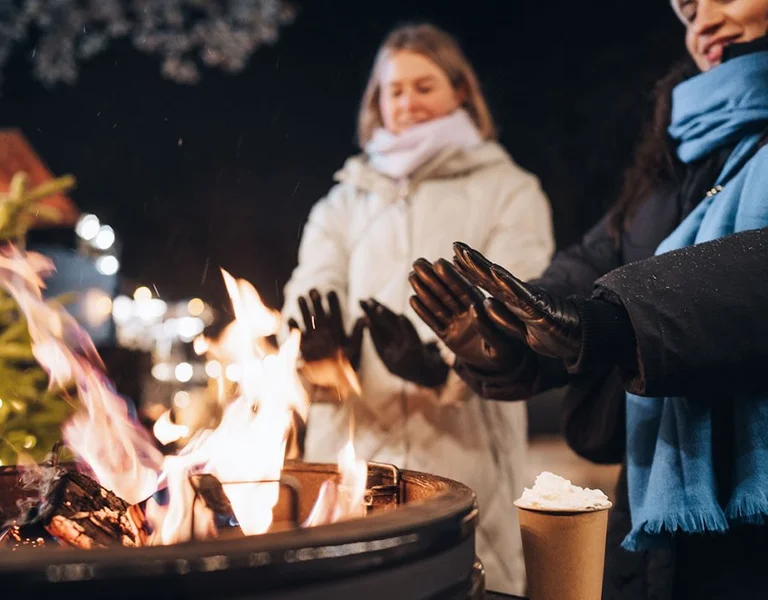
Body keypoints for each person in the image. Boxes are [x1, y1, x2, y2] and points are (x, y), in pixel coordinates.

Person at [409, 1, 768, 598]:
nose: (701, 18)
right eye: (686, 5)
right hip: (659, 532)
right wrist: (510, 341)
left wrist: (612, 320)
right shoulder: (676, 153)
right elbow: (592, 269)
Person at [281, 23, 554, 595]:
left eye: (423, 86)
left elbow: (516, 301)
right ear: (375, 103)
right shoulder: (342, 200)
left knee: (457, 583)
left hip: (464, 445)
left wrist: (440, 364)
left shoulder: (510, 190)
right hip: (351, 451)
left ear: (460, 90)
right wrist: (316, 347)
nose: (407, 102)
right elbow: (312, 283)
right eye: (393, 90)